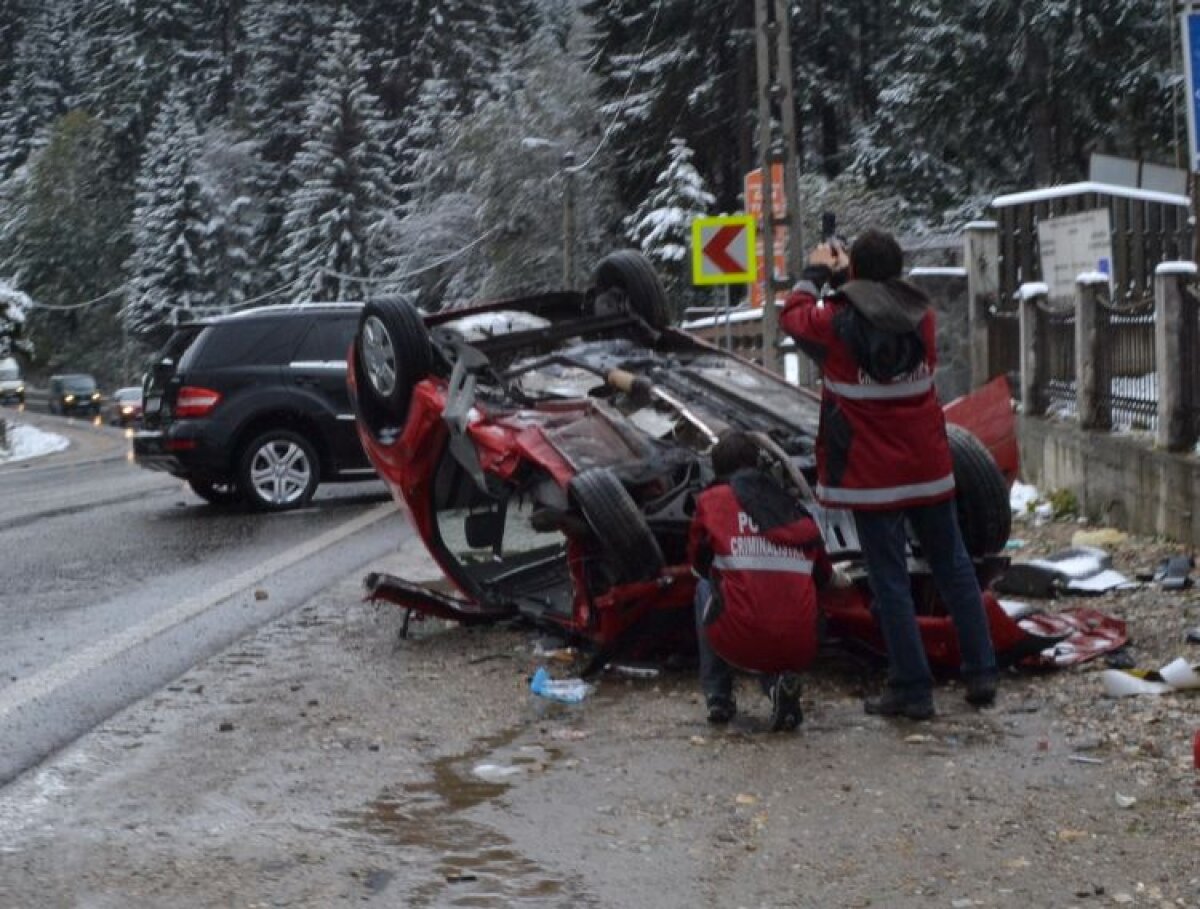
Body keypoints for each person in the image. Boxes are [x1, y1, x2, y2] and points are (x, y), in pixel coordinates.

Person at [779, 227, 998, 721]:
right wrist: (850, 282)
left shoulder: (834, 322)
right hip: (929, 468)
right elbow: (882, 309)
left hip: (871, 477)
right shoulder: (922, 318)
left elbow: (793, 316)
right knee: (955, 567)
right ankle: (982, 671)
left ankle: (912, 688)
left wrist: (818, 272)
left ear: (854, 271)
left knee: (889, 579)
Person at [688, 430, 832, 731]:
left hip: (743, 637)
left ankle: (718, 696)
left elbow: (699, 563)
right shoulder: (794, 508)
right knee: (774, 609)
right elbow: (824, 577)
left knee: (706, 588)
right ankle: (778, 687)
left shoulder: (712, 500)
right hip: (801, 644)